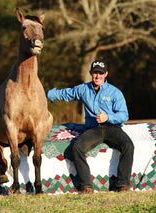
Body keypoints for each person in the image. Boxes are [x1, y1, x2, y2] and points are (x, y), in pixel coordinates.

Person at [47, 59, 134, 193]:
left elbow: (124, 115)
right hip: (94, 129)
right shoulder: (83, 89)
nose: (98, 76)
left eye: (101, 73)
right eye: (95, 73)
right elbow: (66, 93)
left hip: (112, 128)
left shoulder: (115, 92)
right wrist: (47, 94)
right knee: (76, 148)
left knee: (128, 145)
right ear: (90, 73)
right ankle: (87, 185)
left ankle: (123, 185)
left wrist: (108, 117)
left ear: (106, 74)